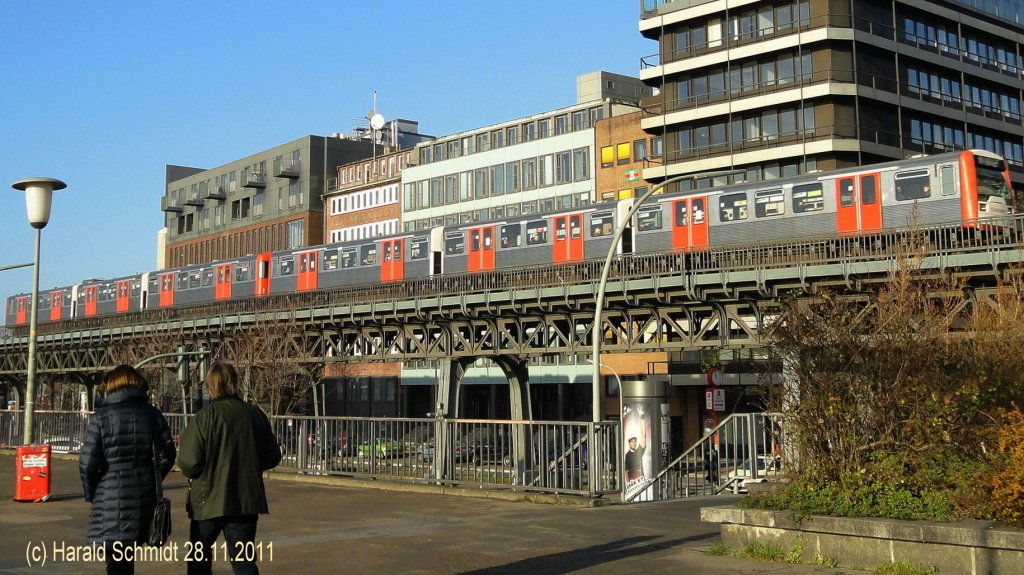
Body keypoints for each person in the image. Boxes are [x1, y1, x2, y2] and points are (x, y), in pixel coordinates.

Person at [178, 362, 282, 575]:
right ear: (234, 382)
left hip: (206, 502)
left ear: (210, 386)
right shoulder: (254, 415)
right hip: (244, 502)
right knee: (244, 562)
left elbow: (188, 461)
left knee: (199, 560)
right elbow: (272, 456)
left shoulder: (204, 418)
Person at [80, 365, 176, 575]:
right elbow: (169, 453)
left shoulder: (101, 417)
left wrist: (93, 493)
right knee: (127, 556)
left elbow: (87, 464)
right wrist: (152, 478)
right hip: (143, 496)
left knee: (115, 561)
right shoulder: (152, 415)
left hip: (109, 496)